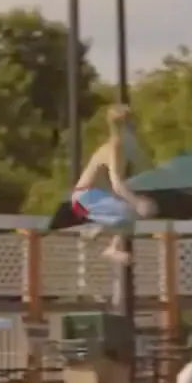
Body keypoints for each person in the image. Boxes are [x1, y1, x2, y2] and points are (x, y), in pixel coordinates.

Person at [61, 104, 155, 265]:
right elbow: (117, 184)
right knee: (133, 210)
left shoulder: (119, 146)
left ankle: (96, 229)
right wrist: (137, 202)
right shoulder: (116, 148)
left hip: (86, 199)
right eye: (133, 125)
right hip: (84, 200)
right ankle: (108, 245)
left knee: (130, 210)